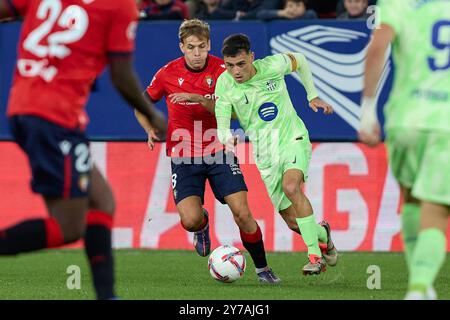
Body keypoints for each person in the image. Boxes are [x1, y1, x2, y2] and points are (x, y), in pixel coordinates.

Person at [0, 0, 166, 300]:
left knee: (101, 201)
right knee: (68, 227)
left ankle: (107, 296)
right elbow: (121, 75)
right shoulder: (119, 6)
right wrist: (152, 114)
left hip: (27, 108)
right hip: (53, 117)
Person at [134, 19, 280, 283]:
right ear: (182, 47)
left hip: (219, 150)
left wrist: (198, 99)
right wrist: (148, 127)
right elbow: (141, 102)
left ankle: (263, 269)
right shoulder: (167, 73)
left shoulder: (224, 71)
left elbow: (234, 112)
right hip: (183, 155)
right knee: (189, 219)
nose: (197, 53)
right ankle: (201, 226)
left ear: (209, 44)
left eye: (202, 47)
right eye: (191, 48)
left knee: (243, 213)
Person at [215, 34, 338, 275]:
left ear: (252, 57)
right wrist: (226, 138)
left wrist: (311, 94)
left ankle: (315, 256)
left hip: (293, 138)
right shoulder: (224, 83)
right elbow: (221, 122)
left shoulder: (272, 65)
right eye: (230, 65)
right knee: (293, 222)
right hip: (265, 153)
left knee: (292, 187)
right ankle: (324, 235)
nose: (236, 71)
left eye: (241, 64)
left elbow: (300, 60)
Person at [358, 0, 450, 300]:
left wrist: (368, 110)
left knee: (411, 200)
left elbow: (377, 48)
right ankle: (420, 286)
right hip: (444, 125)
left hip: (404, 120)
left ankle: (423, 288)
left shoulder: (398, 2)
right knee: (436, 211)